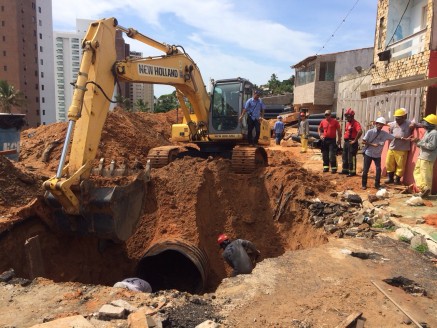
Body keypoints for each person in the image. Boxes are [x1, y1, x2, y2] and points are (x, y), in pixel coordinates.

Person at [361, 117, 395, 190]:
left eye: (382, 124)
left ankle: (377, 185)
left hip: (377, 155)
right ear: (376, 124)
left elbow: (393, 137)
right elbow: (363, 141)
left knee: (378, 169)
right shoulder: (370, 132)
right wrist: (372, 144)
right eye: (379, 124)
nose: (380, 126)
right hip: (369, 153)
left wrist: (403, 138)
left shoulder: (384, 134)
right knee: (366, 170)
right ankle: (364, 184)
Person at [385, 108, 414, 185]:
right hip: (392, 147)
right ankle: (390, 178)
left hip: (402, 149)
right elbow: (390, 134)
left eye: (399, 118)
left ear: (404, 117)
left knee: (400, 165)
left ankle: (397, 179)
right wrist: (399, 137)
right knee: (389, 162)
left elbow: (420, 125)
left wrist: (414, 125)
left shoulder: (409, 124)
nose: (397, 120)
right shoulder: (393, 124)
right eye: (396, 118)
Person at [412, 114, 437, 197]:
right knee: (417, 172)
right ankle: (424, 189)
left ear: (430, 124)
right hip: (422, 156)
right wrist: (417, 142)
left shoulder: (434, 133)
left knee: (426, 175)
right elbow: (422, 144)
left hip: (427, 157)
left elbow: (431, 146)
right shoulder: (428, 132)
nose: (424, 124)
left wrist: (420, 142)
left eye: (426, 122)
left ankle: (427, 192)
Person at [340, 108, 363, 177]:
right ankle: (345, 169)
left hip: (352, 142)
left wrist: (355, 140)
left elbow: (360, 131)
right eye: (346, 116)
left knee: (351, 157)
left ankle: (352, 171)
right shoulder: (348, 123)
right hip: (346, 142)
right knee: (345, 156)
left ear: (352, 116)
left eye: (348, 116)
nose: (346, 118)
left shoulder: (356, 123)